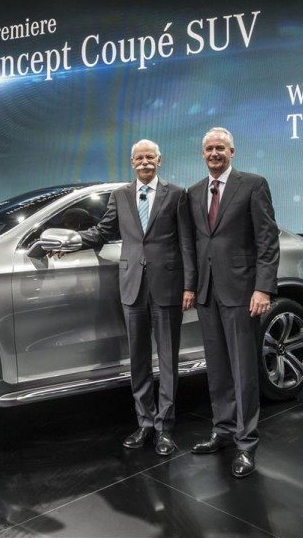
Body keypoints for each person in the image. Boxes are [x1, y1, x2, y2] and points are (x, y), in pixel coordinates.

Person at [66, 139, 195, 456]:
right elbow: (103, 231)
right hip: (132, 286)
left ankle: (165, 427)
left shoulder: (177, 194)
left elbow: (187, 242)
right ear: (132, 162)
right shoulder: (121, 195)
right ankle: (145, 423)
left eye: (150, 157)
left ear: (159, 160)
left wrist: (189, 285)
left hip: (167, 285)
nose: (145, 162)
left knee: (168, 360)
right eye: (139, 158)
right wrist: (72, 241)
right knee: (138, 359)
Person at [187, 127, 279, 478]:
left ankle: (246, 443)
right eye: (209, 148)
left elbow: (267, 240)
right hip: (208, 293)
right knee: (218, 369)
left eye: (220, 148)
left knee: (243, 371)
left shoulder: (252, 185)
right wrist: (192, 286)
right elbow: (196, 244)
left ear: (232, 152)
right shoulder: (195, 192)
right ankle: (222, 430)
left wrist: (263, 288)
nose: (214, 153)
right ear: (203, 153)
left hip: (242, 292)